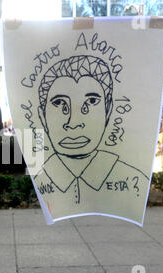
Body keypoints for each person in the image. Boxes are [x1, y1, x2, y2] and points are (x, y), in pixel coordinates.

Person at [34, 55, 149, 208]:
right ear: (42, 116)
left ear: (108, 111)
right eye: (59, 103)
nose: (73, 123)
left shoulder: (134, 180)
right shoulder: (37, 180)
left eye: (92, 101)